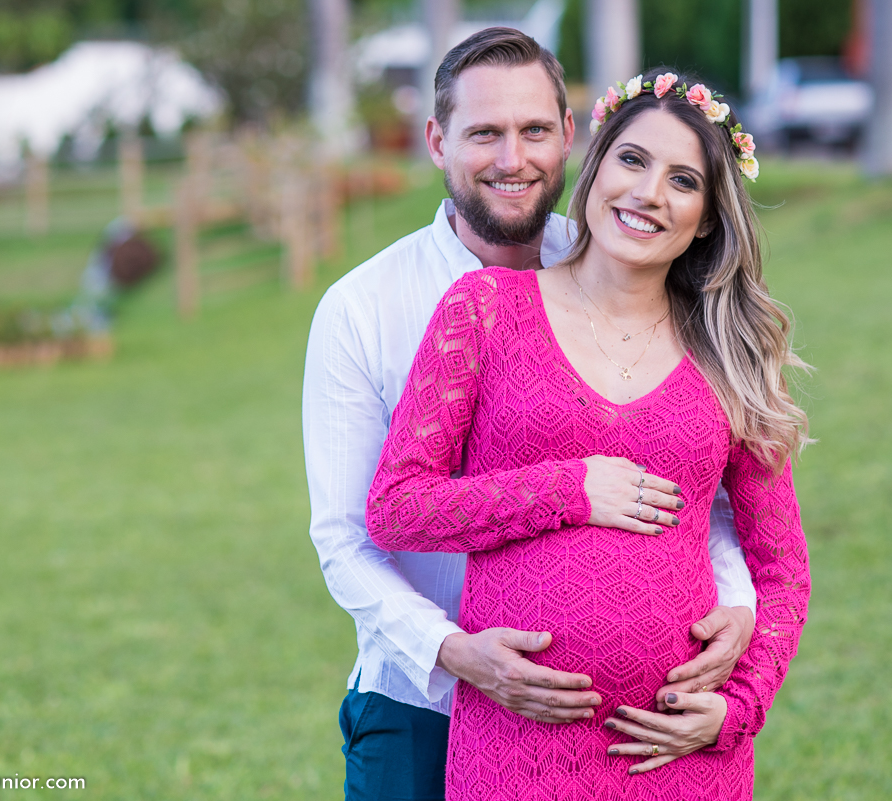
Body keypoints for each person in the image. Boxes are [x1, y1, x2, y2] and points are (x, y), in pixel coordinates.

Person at [303, 30, 757, 801]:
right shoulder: (363, 308)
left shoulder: (626, 260)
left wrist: (738, 602)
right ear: (438, 141)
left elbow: (694, 480)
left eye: (534, 131)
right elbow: (346, 536)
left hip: (606, 727)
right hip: (420, 701)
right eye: (485, 133)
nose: (513, 159)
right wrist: (454, 651)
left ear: (569, 136)